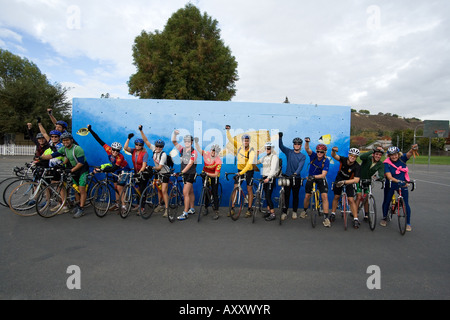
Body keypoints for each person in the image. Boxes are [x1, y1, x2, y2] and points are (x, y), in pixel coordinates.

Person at [39, 132, 89, 218]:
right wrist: (41, 157)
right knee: (76, 188)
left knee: (81, 189)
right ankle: (78, 205)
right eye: (63, 140)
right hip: (74, 169)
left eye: (67, 140)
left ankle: (81, 209)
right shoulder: (64, 149)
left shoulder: (77, 149)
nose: (65, 142)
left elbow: (81, 163)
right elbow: (52, 155)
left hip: (82, 169)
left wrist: (71, 170)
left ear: (71, 140)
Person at [87, 124, 131, 212]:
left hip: (124, 169)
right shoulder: (108, 149)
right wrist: (90, 130)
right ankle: (117, 204)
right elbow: (99, 140)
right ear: (111, 149)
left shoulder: (120, 157)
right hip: (116, 168)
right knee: (115, 186)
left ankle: (124, 205)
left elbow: (114, 168)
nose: (115, 152)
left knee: (119, 187)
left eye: (117, 151)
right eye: (113, 150)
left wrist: (102, 170)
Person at [381, 145, 417, 231]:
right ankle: (385, 217)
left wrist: (413, 149)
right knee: (387, 200)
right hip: (391, 183)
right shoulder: (386, 163)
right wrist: (398, 181)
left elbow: (409, 153)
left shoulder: (402, 159)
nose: (394, 156)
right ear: (389, 156)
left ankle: (408, 223)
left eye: (395, 154)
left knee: (406, 203)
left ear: (398, 154)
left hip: (403, 184)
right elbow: (389, 177)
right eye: (392, 155)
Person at [226, 125, 257, 218]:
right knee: (235, 187)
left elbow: (249, 165)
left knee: (249, 189)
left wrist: (241, 173)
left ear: (249, 142)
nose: (245, 142)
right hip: (240, 170)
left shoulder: (252, 151)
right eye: (244, 140)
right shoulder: (239, 146)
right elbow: (230, 140)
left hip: (248, 171)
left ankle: (249, 209)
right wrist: (228, 131)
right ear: (242, 141)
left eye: (247, 141)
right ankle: (232, 208)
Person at [139, 126, 170, 217]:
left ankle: (167, 209)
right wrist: (141, 131)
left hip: (165, 173)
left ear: (162, 147)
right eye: (157, 146)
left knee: (164, 190)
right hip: (157, 173)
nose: (158, 148)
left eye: (160, 147)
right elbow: (146, 141)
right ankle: (160, 205)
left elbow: (160, 167)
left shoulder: (163, 155)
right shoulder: (154, 150)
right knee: (159, 190)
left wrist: (151, 168)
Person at [302, 139, 331, 227]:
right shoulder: (313, 156)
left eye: (321, 152)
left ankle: (326, 218)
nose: (319, 153)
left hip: (319, 178)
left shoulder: (326, 161)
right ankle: (305, 211)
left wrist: (314, 177)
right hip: (311, 177)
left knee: (324, 196)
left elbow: (323, 175)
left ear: (324, 153)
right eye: (318, 151)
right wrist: (307, 142)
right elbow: (307, 149)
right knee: (307, 195)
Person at [330, 147, 361, 228]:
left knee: (351, 199)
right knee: (336, 196)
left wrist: (344, 182)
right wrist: (333, 151)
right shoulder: (343, 159)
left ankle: (355, 218)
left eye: (354, 156)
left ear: (356, 157)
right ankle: (333, 214)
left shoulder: (357, 166)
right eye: (351, 155)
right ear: (348, 155)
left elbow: (356, 180)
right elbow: (334, 156)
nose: (352, 157)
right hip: (339, 178)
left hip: (349, 181)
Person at [278, 133, 306, 220]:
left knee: (295, 195)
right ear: (293, 145)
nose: (297, 145)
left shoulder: (303, 156)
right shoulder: (289, 152)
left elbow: (300, 166)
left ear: (300, 146)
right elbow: (281, 146)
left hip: (296, 178)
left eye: (298, 144)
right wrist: (280, 137)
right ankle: (285, 212)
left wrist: (295, 173)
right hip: (287, 177)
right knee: (286, 195)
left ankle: (294, 211)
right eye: (295, 143)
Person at [172, 130, 198, 221]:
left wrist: (182, 172)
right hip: (184, 173)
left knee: (185, 192)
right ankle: (192, 209)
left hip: (190, 174)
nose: (187, 142)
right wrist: (175, 134)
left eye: (189, 141)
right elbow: (174, 141)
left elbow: (190, 164)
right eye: (185, 141)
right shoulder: (182, 149)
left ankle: (185, 213)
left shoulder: (194, 152)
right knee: (190, 191)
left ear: (191, 142)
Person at [194, 138, 222, 220]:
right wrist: (196, 142)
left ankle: (216, 211)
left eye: (215, 151)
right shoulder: (206, 153)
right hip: (205, 173)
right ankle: (206, 208)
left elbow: (216, 174)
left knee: (214, 192)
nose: (213, 153)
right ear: (211, 150)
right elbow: (199, 149)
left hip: (214, 176)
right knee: (206, 191)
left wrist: (208, 174)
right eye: (213, 151)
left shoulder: (218, 161)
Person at [124, 133, 151, 212]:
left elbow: (144, 165)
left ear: (142, 145)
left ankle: (142, 207)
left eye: (140, 145)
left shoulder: (144, 153)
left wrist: (139, 173)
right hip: (136, 172)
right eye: (136, 144)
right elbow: (125, 148)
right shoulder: (133, 151)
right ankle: (138, 204)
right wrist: (128, 138)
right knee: (137, 189)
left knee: (142, 190)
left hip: (143, 173)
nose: (138, 146)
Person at [356, 146, 385, 221]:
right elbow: (362, 157)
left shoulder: (380, 164)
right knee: (359, 196)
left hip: (368, 181)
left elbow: (381, 173)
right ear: (373, 154)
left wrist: (380, 177)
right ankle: (355, 214)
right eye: (376, 154)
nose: (378, 156)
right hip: (359, 179)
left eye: (380, 155)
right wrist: (372, 150)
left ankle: (366, 214)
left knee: (366, 197)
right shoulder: (367, 159)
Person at [256, 142, 279, 221]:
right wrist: (256, 154)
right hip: (265, 178)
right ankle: (269, 211)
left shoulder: (274, 157)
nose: (267, 150)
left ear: (272, 149)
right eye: (266, 148)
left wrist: (268, 178)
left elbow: (273, 169)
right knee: (266, 196)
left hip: (270, 178)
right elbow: (255, 162)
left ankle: (273, 213)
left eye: (269, 148)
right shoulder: (264, 157)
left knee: (268, 196)